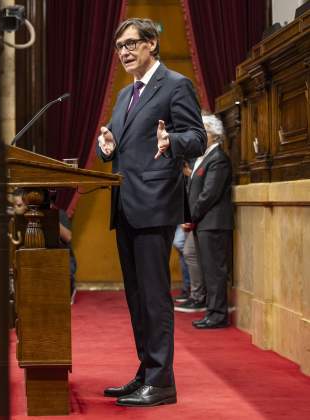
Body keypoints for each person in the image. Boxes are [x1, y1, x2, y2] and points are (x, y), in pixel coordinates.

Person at [96, 18, 205, 407]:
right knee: (137, 298)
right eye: (118, 46)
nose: (124, 51)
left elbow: (197, 138)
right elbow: (111, 143)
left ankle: (161, 382)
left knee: (155, 299)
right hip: (125, 206)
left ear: (151, 44)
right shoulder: (125, 96)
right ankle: (146, 371)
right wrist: (106, 147)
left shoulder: (175, 85)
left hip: (155, 206)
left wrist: (171, 140)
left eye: (130, 43)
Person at [186, 114, 233, 329]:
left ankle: (218, 316)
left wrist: (190, 215)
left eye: (203, 130)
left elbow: (209, 194)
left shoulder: (218, 159)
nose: (200, 134)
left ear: (214, 134)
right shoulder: (205, 157)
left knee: (215, 271)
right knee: (208, 270)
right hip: (204, 223)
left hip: (213, 224)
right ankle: (212, 312)